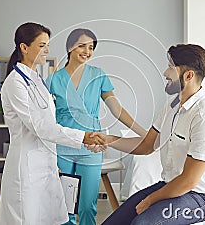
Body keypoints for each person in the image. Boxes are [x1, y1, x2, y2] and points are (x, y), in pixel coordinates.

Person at [91, 44, 205, 225]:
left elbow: (189, 181)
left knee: (141, 223)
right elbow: (147, 145)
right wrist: (109, 140)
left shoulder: (204, 117)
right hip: (169, 186)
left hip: (198, 197)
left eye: (170, 67)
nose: (165, 72)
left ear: (189, 75)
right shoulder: (171, 105)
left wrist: (150, 200)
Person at [0, 22, 105, 225]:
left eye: (47, 45)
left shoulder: (37, 79)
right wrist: (83, 136)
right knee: (26, 219)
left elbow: (49, 122)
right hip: (27, 168)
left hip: (45, 163)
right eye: (41, 45)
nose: (47, 50)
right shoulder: (15, 83)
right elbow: (39, 126)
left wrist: (53, 162)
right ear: (24, 47)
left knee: (52, 217)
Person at [46, 28, 147, 225]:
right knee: (64, 206)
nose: (87, 51)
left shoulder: (98, 75)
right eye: (82, 45)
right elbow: (47, 120)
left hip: (91, 146)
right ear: (70, 47)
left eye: (91, 47)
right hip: (62, 147)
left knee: (87, 205)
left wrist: (144, 133)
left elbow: (117, 109)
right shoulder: (53, 79)